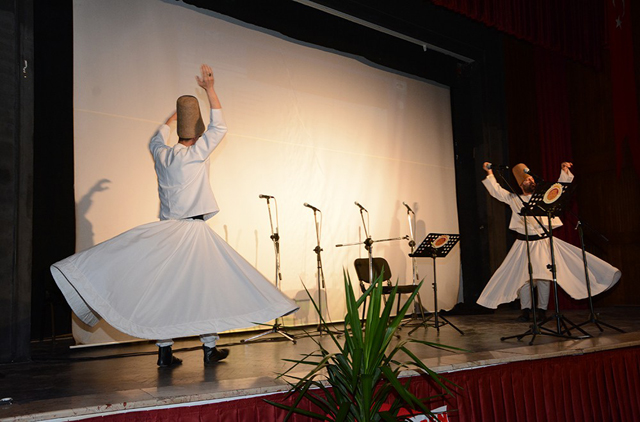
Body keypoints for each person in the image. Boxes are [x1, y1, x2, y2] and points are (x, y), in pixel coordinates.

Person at [51, 64, 298, 367]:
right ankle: (208, 348)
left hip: (168, 232)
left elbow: (154, 139)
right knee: (203, 287)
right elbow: (220, 129)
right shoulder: (195, 155)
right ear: (197, 135)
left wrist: (174, 118)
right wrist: (208, 90)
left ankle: (167, 350)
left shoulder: (163, 155)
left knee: (166, 290)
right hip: (192, 234)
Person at [477, 161, 621, 321]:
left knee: (545, 277)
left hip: (543, 242)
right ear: (520, 185)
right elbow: (497, 192)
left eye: (531, 179)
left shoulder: (544, 197)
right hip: (523, 244)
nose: (531, 181)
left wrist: (564, 172)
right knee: (524, 277)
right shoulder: (514, 199)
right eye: (527, 180)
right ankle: (525, 310)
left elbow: (558, 190)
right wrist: (490, 174)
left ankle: (541, 310)